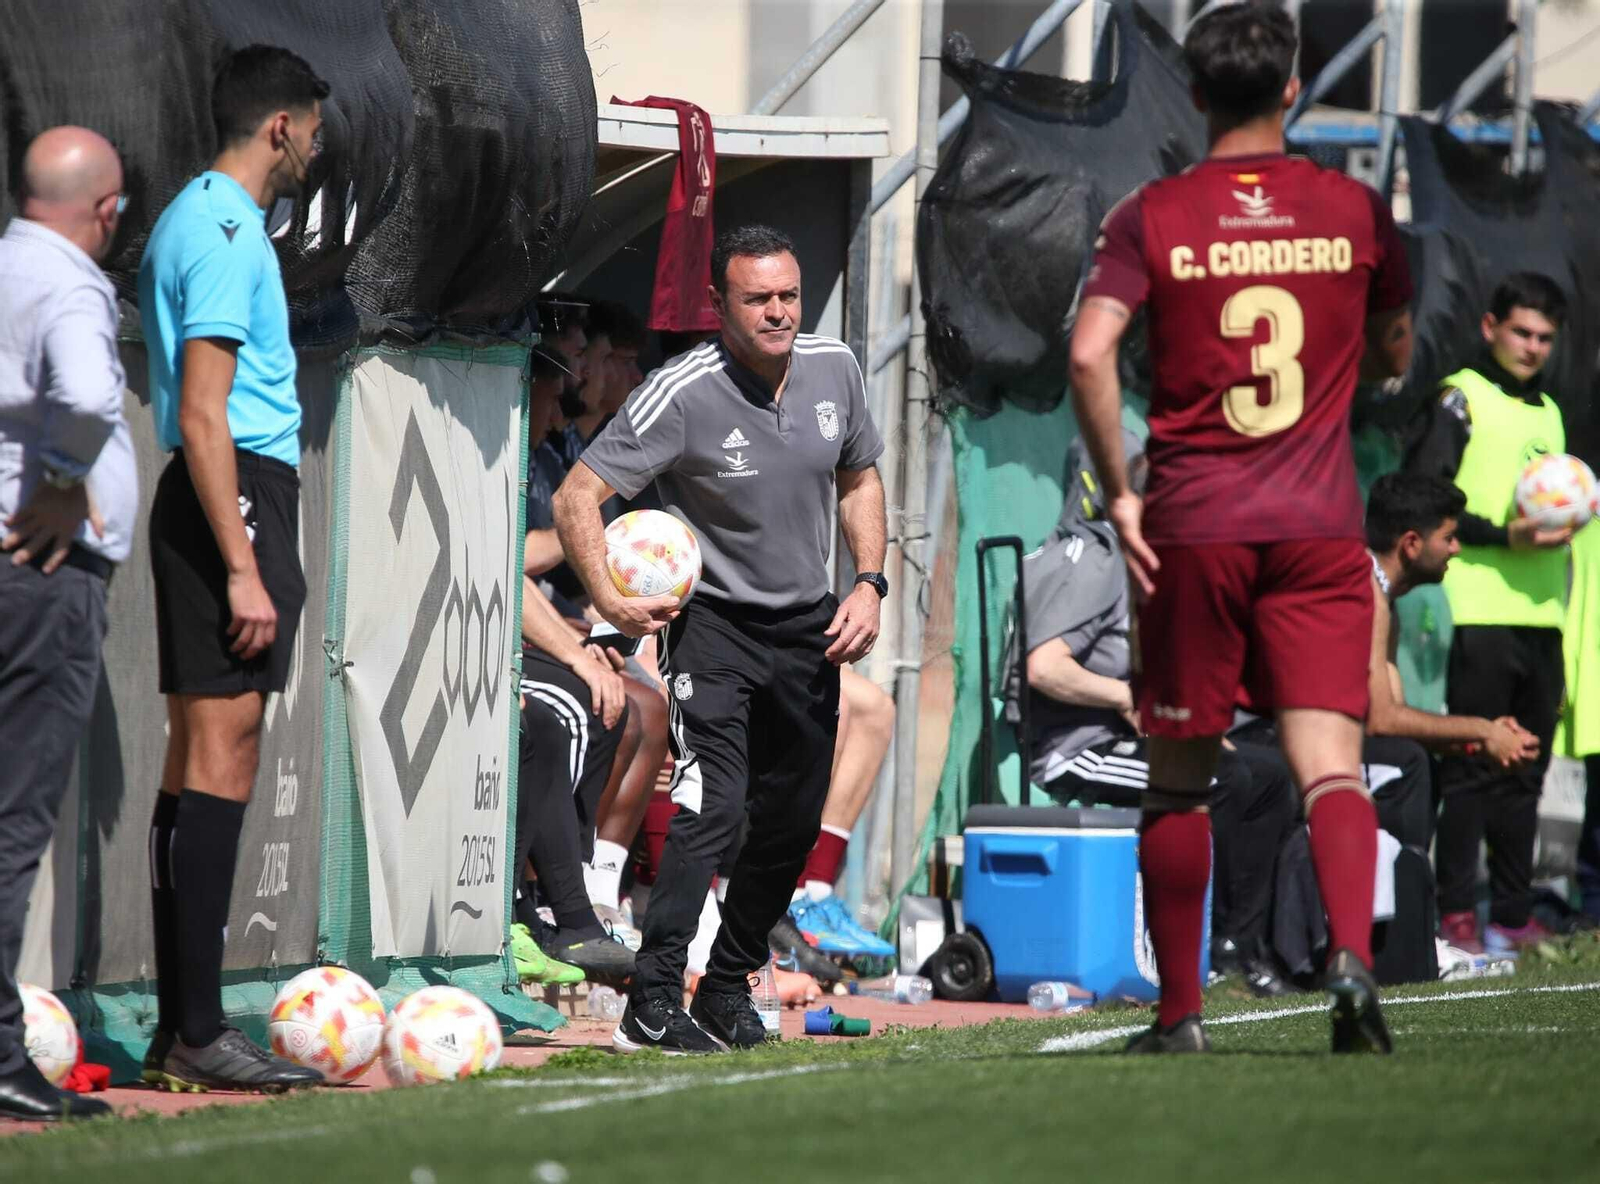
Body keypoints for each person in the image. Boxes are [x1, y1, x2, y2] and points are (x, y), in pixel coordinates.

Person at [1068, 3, 1413, 1054]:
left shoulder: (1153, 212)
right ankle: (1350, 958)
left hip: (1195, 524)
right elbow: (1395, 349)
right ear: (1293, 89)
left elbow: (1088, 352)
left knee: (1179, 776)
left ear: (1195, 94)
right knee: (1332, 765)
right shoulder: (1355, 209)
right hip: (1318, 523)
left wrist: (1120, 493)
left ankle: (1180, 1014)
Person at [554, 224, 888, 1053]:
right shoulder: (682, 390)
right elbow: (575, 496)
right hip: (713, 629)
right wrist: (612, 601)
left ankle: (729, 986)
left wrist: (870, 583)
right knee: (714, 804)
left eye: (789, 296)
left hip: (808, 627)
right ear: (718, 304)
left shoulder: (836, 369)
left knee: (793, 821)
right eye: (757, 298)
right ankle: (653, 999)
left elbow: (859, 477)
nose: (778, 312)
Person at [136, 44, 329, 1092]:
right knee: (220, 753)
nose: (316, 152)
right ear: (280, 127)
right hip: (235, 491)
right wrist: (244, 566)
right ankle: (199, 1029)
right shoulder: (221, 229)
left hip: (238, 491)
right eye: (314, 131)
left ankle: (186, 1024)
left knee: (202, 758)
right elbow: (206, 412)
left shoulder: (207, 218)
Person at [1010, 433, 1298, 997]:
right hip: (1075, 749)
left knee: (1268, 775)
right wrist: (1126, 698)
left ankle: (1240, 946)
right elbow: (1044, 668)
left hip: (1118, 736)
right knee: (1223, 779)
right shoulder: (1091, 558)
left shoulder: (1123, 557)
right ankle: (1203, 948)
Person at [0, 126, 132, 1123]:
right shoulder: (70, 283)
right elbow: (86, 395)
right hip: (40, 573)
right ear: (105, 210)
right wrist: (58, 480)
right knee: (14, 819)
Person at [1403, 273, 1575, 955]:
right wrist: (1505, 536)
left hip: (1544, 615)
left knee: (1526, 770)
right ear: (1490, 327)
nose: (1532, 347)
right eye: (1521, 332)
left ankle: (1511, 913)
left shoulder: (1551, 412)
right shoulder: (1460, 398)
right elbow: (1425, 497)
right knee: (1473, 765)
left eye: (1544, 337)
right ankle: (1455, 914)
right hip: (1475, 610)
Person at [511, 347, 634, 984]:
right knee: (561, 713)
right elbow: (513, 567)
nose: (558, 410)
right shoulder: (504, 454)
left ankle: (571, 897)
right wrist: (579, 524)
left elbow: (507, 570)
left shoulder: (541, 453)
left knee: (617, 703)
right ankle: (546, 907)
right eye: (550, 392)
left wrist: (584, 649)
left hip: (520, 638)